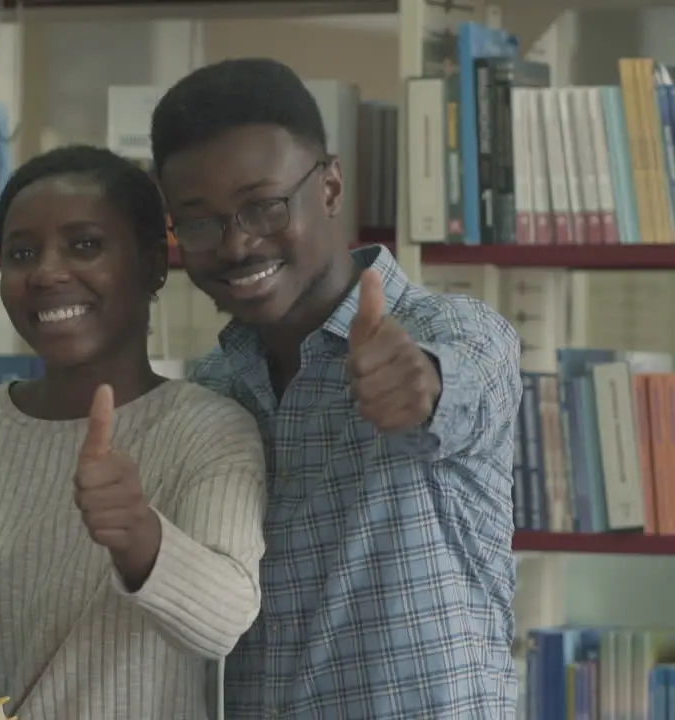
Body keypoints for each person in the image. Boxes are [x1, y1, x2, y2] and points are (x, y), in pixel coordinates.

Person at [149, 58, 522, 718]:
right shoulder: (213, 391)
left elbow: (465, 386)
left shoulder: (453, 329)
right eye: (201, 222)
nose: (236, 245)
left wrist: (422, 385)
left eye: (263, 206)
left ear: (329, 187)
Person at [0, 145, 268, 720]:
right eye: (21, 253)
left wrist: (139, 535)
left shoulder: (209, 429)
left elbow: (224, 625)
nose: (46, 272)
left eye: (85, 245)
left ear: (153, 264)